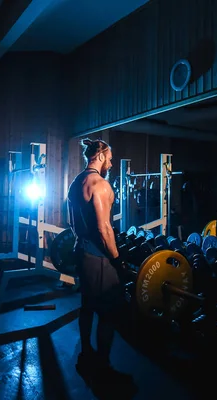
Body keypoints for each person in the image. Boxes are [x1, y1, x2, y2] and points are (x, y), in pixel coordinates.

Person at [67, 138, 132, 386]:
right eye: (111, 159)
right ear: (102, 156)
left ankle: (86, 351)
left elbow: (73, 222)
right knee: (108, 312)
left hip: (80, 251)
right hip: (99, 257)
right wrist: (117, 260)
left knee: (87, 305)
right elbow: (104, 228)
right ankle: (103, 365)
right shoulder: (100, 185)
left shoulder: (76, 183)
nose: (112, 163)